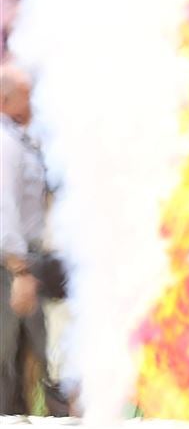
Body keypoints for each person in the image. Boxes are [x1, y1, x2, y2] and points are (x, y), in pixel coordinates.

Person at [0, 64, 51, 415]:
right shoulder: (4, 144)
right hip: (11, 262)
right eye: (26, 95)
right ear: (4, 99)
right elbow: (3, 207)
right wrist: (19, 270)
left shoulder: (19, 138)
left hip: (23, 259)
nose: (33, 103)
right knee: (7, 362)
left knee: (26, 360)